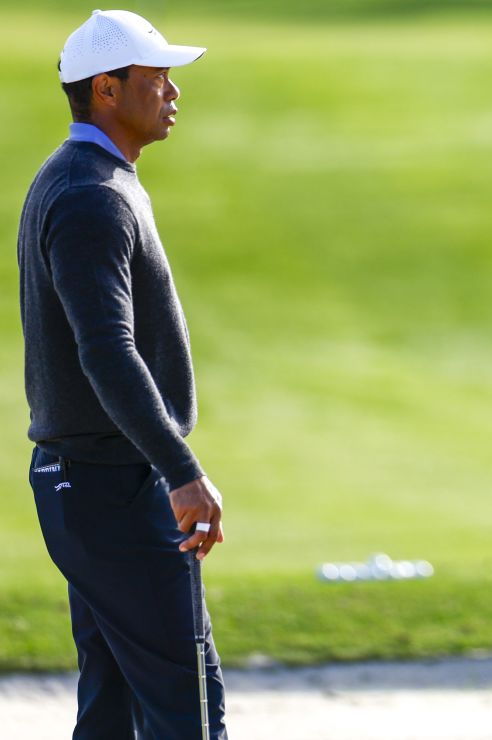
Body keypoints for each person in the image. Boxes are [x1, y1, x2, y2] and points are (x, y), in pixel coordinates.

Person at [17, 10, 228, 738]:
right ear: (106, 89)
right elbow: (105, 349)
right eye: (156, 76)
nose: (172, 91)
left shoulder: (88, 179)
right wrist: (181, 470)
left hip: (92, 482)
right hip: (113, 485)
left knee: (110, 707)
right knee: (188, 708)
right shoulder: (91, 198)